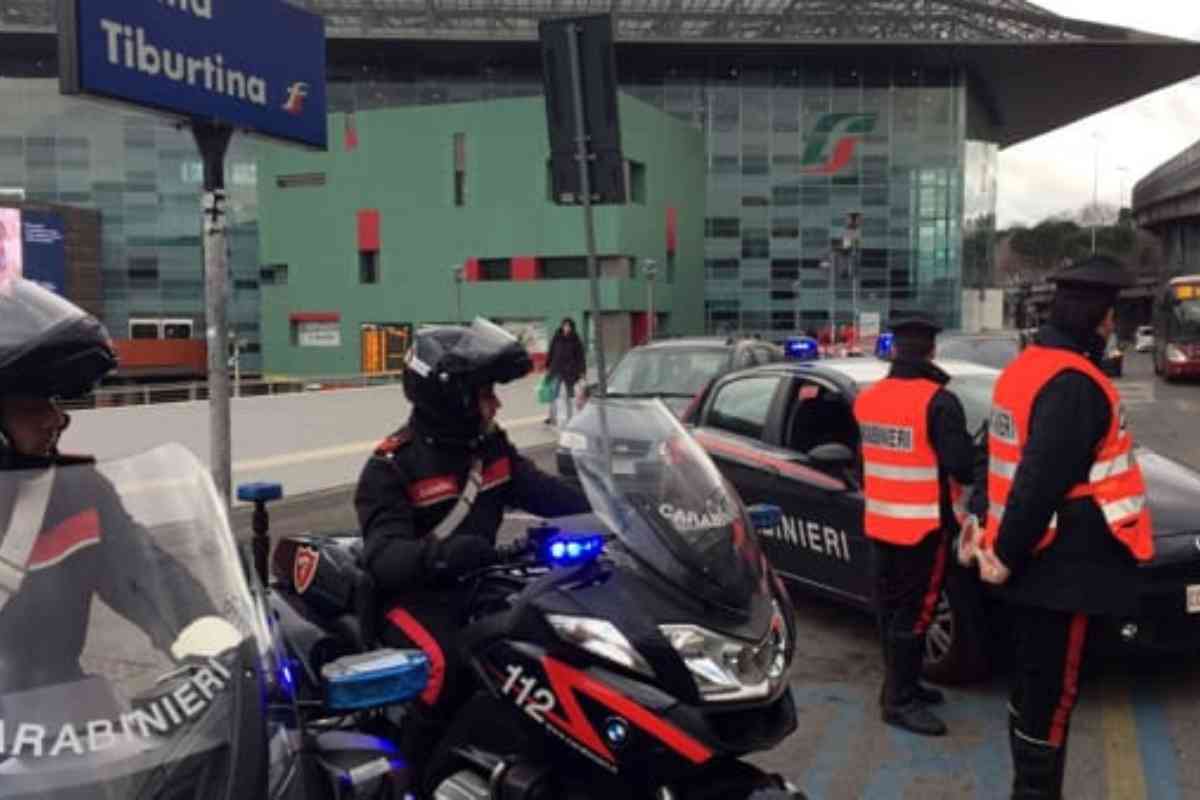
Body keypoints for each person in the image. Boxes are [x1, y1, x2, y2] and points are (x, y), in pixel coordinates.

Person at [354, 319, 590, 767]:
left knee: (557, 642)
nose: (496, 404)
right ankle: (412, 774)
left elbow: (546, 493)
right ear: (452, 399)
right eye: (485, 393)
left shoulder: (489, 449)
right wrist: (443, 556)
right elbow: (382, 555)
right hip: (414, 598)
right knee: (445, 664)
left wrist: (620, 511)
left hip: (481, 584)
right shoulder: (392, 466)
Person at [975, 255, 1153, 799]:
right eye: (1108, 319)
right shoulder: (1075, 384)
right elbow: (1037, 483)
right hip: (1060, 570)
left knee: (1030, 690)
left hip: (1030, 562)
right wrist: (1002, 555)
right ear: (1094, 318)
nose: (1111, 329)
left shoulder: (1024, 369)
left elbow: (998, 461)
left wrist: (993, 544)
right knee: (1051, 698)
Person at [0, 277, 216, 695]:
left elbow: (155, 581)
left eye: (55, 401)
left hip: (59, 736)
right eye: (31, 406)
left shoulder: (75, 495)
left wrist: (223, 651)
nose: (56, 419)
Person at [853, 313, 981, 737]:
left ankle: (902, 684)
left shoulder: (870, 398)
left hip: (880, 523)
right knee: (915, 615)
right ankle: (899, 701)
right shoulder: (938, 401)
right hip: (922, 529)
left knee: (890, 611)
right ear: (930, 350)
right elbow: (961, 466)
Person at [544, 317, 586, 426]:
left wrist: (582, 372)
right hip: (556, 370)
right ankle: (554, 418)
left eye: (569, 326)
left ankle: (573, 418)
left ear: (572, 327)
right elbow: (551, 352)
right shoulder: (557, 337)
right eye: (565, 325)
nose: (566, 328)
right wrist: (547, 365)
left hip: (570, 371)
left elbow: (580, 357)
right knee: (554, 395)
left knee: (571, 395)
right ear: (562, 326)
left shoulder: (576, 340)